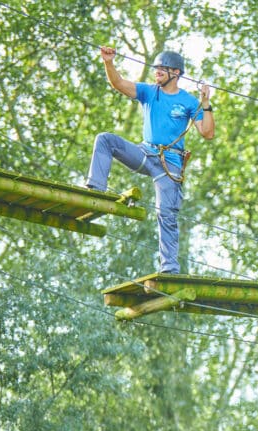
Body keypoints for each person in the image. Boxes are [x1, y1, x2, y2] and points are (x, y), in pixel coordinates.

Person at [86, 47, 215, 274]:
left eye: (161, 69)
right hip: (145, 154)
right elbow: (119, 84)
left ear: (176, 72)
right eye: (155, 69)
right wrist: (108, 63)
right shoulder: (149, 92)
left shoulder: (188, 101)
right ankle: (95, 189)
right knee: (105, 140)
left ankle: (169, 269)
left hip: (170, 164)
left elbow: (208, 133)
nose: (156, 73)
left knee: (166, 214)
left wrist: (206, 103)